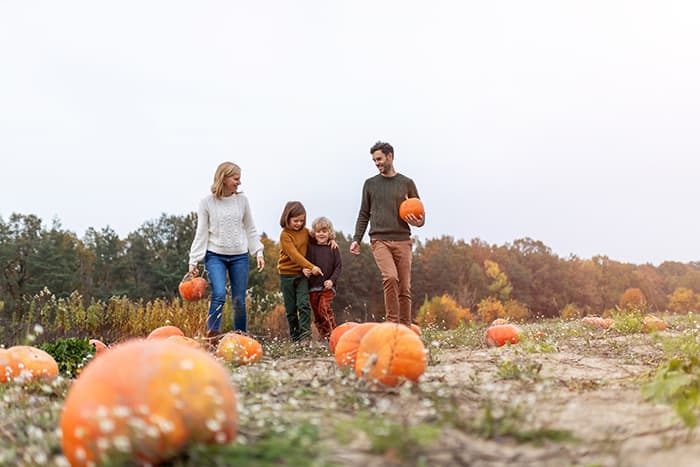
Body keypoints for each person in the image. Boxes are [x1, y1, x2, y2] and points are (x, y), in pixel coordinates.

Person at [187, 162, 265, 340]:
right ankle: (212, 337)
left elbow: (250, 228)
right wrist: (194, 260)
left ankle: (241, 338)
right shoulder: (207, 203)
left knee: (239, 300)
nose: (239, 182)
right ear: (224, 178)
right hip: (215, 256)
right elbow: (201, 232)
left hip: (239, 256)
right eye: (236, 179)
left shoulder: (242, 201)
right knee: (220, 294)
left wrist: (258, 252)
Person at [350, 141, 424, 326]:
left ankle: (405, 328)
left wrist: (419, 222)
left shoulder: (406, 183)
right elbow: (364, 213)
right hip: (379, 240)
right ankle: (392, 323)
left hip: (403, 240)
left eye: (379, 159)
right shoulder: (370, 184)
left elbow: (420, 214)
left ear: (390, 156)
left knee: (405, 287)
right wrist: (356, 239)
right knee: (390, 277)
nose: (377, 163)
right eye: (374, 160)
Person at [277, 201, 322, 342]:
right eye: (295, 220)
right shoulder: (285, 235)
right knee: (291, 310)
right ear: (287, 218)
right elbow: (294, 255)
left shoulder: (306, 232)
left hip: (302, 275)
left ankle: (305, 338)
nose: (298, 223)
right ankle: (295, 339)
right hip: (287, 275)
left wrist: (331, 241)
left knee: (303, 304)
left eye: (301, 221)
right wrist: (311, 267)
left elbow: (318, 241)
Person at [303, 216, 342, 340]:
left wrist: (332, 280)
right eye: (319, 231)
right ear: (314, 233)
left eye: (324, 231)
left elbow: (338, 266)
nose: (321, 234)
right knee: (317, 315)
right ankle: (324, 337)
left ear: (329, 232)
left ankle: (333, 334)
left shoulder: (333, 248)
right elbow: (305, 262)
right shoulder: (310, 248)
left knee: (324, 308)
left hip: (327, 287)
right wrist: (305, 269)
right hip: (313, 287)